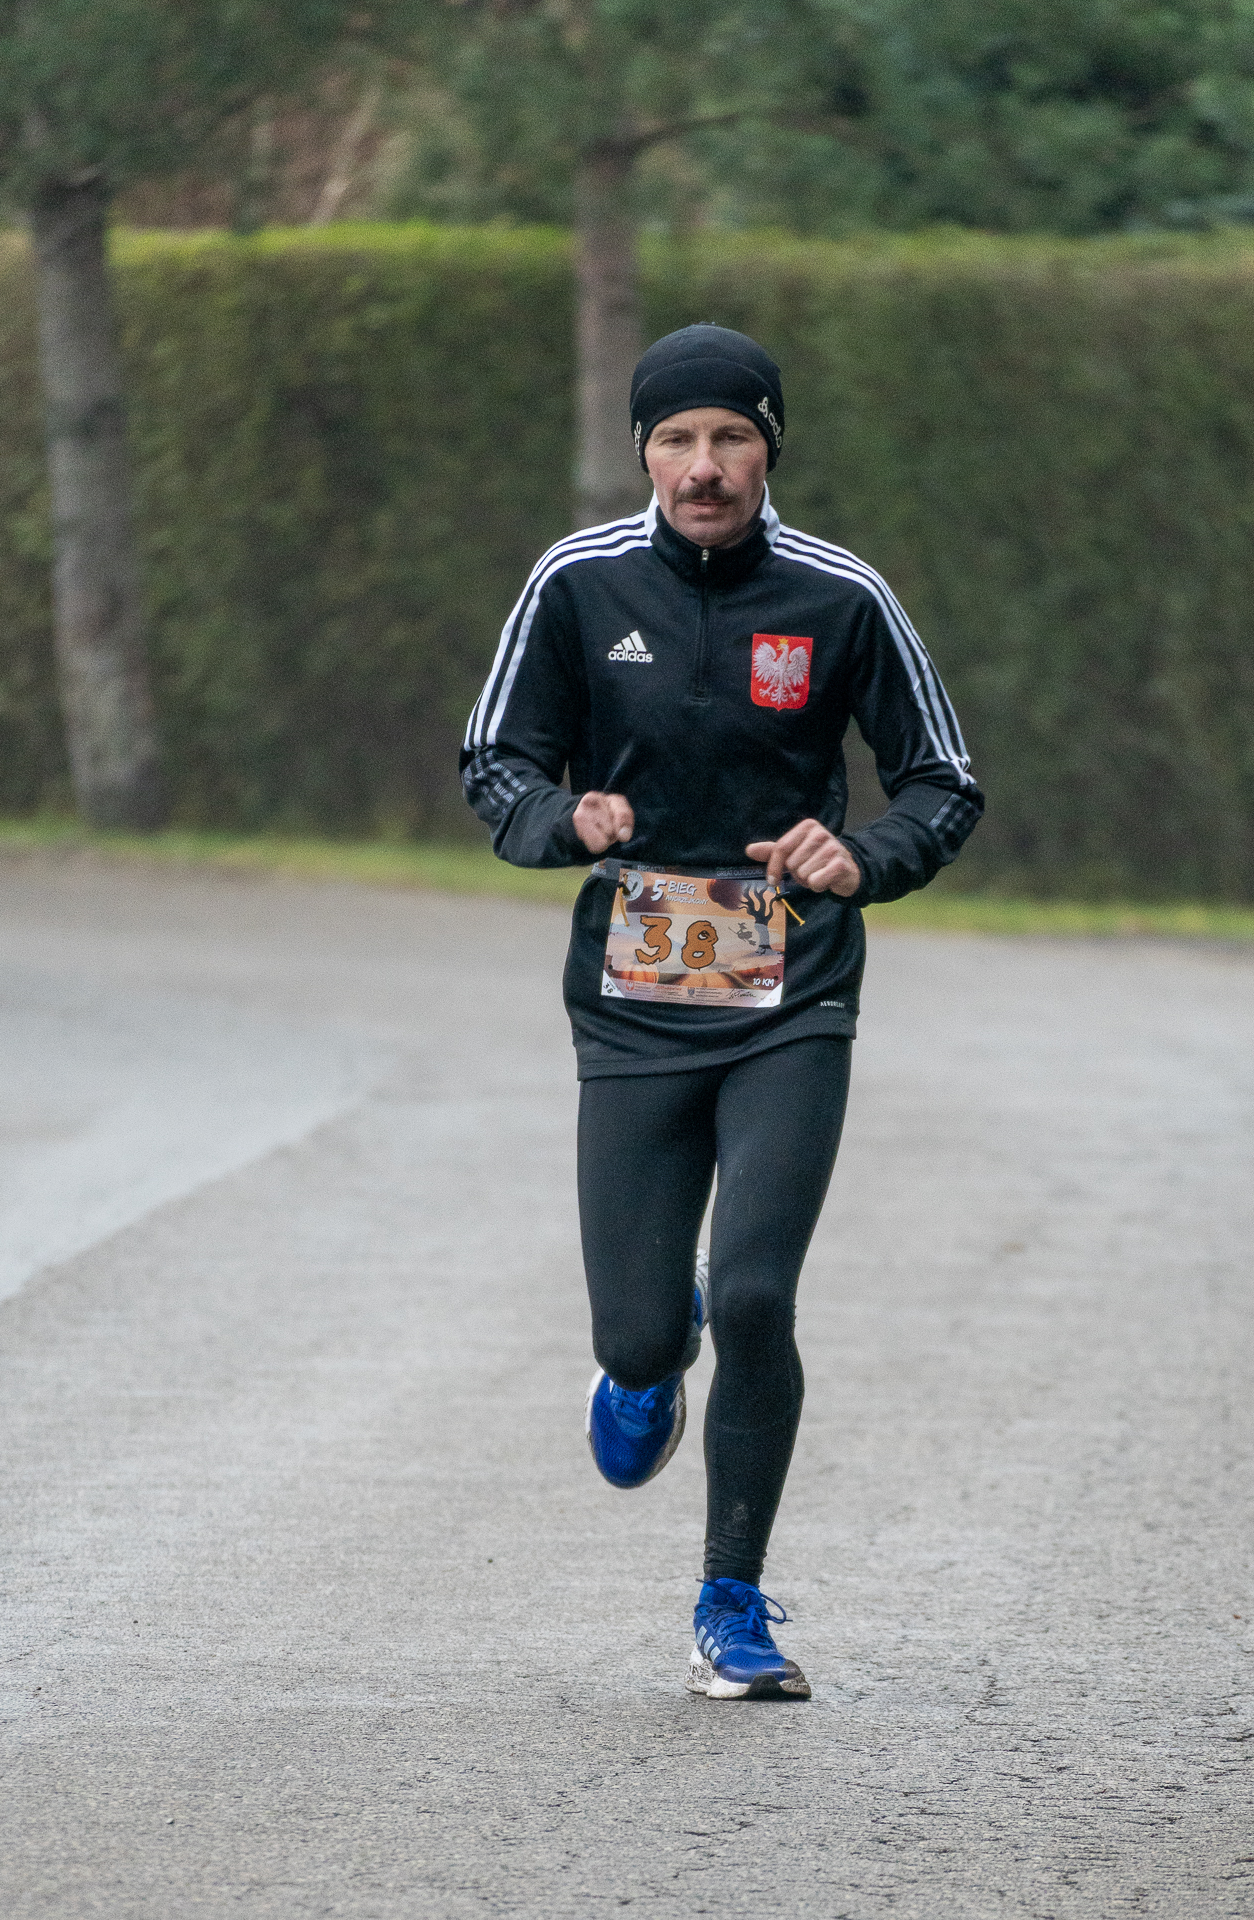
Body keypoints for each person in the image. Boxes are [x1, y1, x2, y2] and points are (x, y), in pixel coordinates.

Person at [461, 323, 983, 1700]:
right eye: (678, 440)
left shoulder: (842, 597)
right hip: (633, 1004)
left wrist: (860, 856)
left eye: (732, 438)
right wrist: (561, 819)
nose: (705, 466)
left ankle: (731, 1605)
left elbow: (941, 779)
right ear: (644, 452)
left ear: (770, 449)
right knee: (640, 1334)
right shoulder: (577, 582)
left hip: (790, 993)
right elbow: (496, 757)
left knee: (755, 1293)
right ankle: (648, 1354)